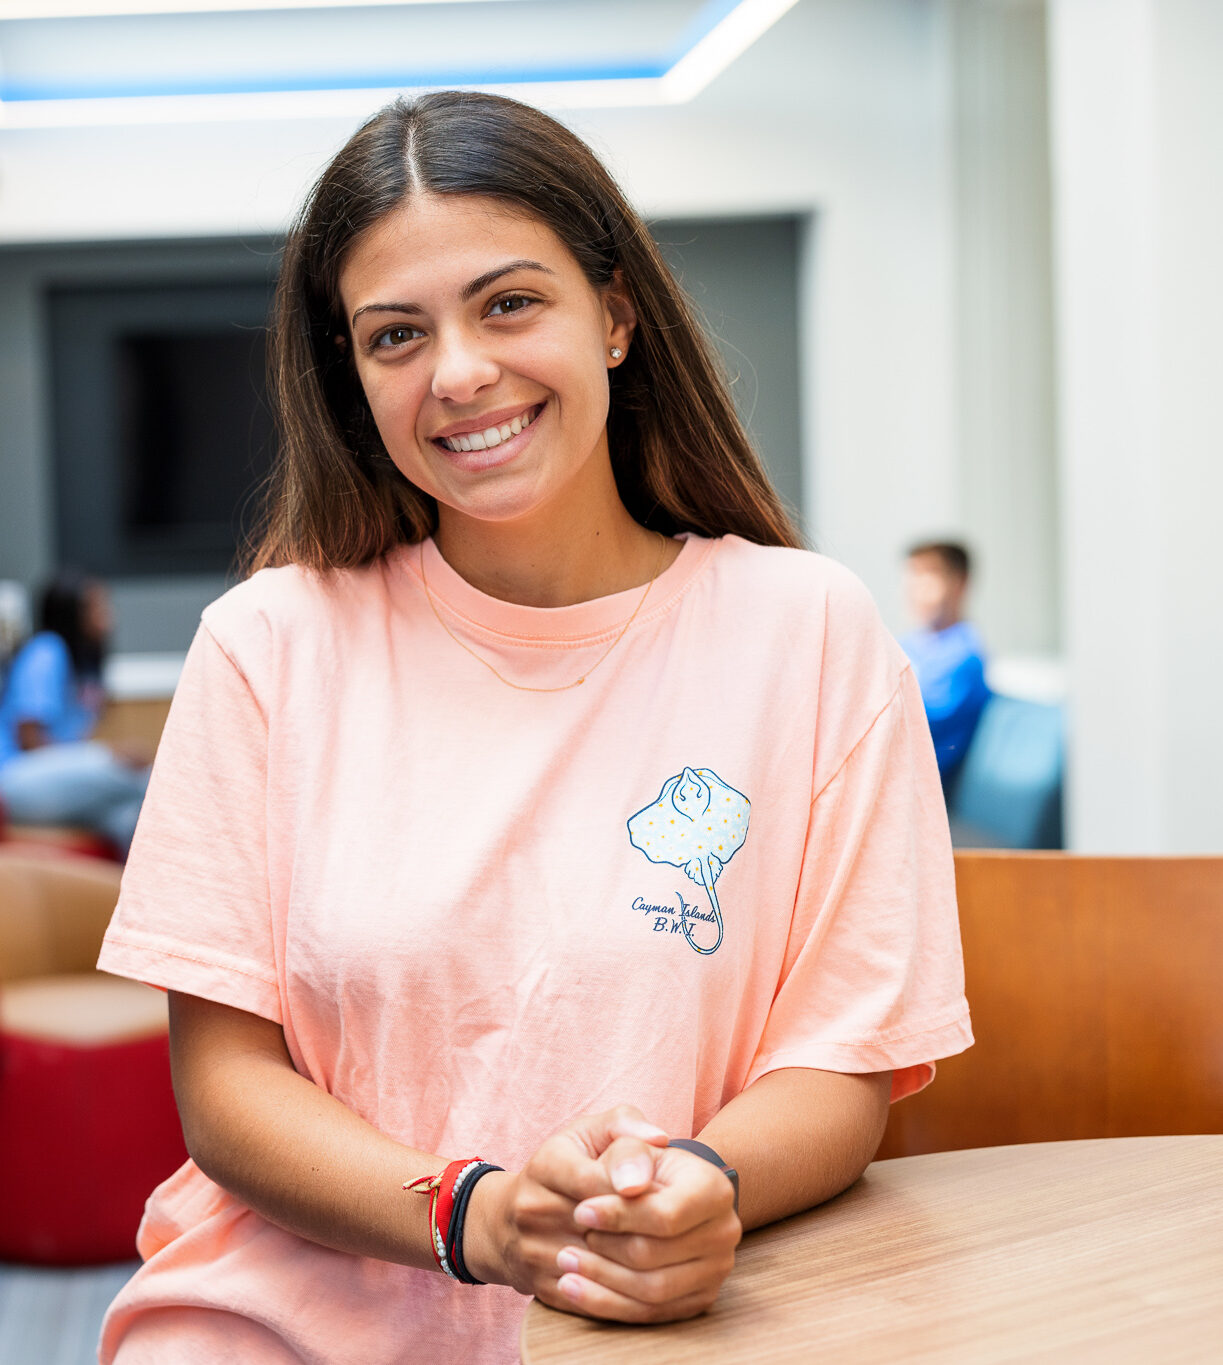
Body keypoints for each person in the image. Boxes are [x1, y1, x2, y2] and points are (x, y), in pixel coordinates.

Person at [94, 92, 972, 1365]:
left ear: (614, 316)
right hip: (290, 1324)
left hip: (661, 1317)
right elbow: (225, 1094)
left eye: (508, 303)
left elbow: (842, 1067)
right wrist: (479, 1217)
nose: (457, 373)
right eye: (396, 335)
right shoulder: (267, 645)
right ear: (353, 374)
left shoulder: (810, 634)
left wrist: (695, 1188)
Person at [0, 571, 148, 855]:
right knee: (146, 778)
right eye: (97, 607)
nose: (108, 614)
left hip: (45, 780)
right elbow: (29, 741)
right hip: (5, 782)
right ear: (72, 613)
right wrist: (105, 756)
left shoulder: (86, 665)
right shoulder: (47, 651)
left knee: (128, 816)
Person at [899, 541, 991, 787]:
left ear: (960, 583)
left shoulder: (964, 656)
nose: (916, 586)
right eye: (913, 574)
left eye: (929, 574)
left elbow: (908, 724)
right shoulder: (909, 644)